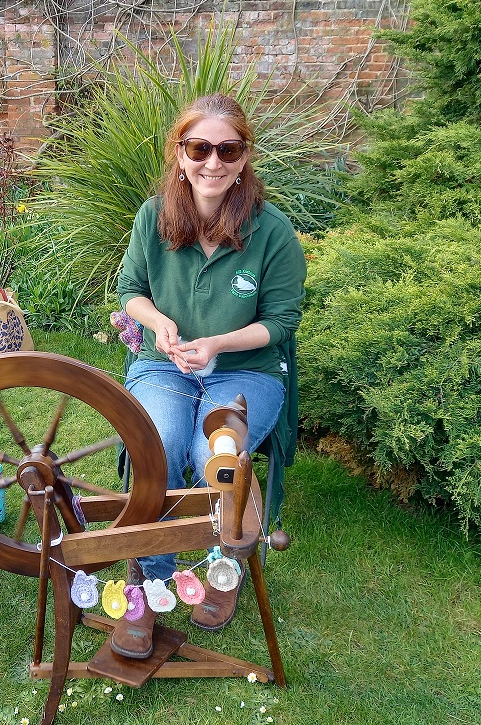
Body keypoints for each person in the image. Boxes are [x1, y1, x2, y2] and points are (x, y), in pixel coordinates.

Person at [111, 93, 307, 658]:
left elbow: (281, 321)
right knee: (158, 445)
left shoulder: (272, 232)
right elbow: (131, 291)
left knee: (211, 455)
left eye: (228, 150)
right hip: (163, 366)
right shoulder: (154, 217)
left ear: (245, 157)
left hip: (246, 372)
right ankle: (150, 585)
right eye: (199, 148)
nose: (213, 162)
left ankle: (224, 569)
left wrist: (219, 342)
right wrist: (159, 324)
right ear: (180, 153)